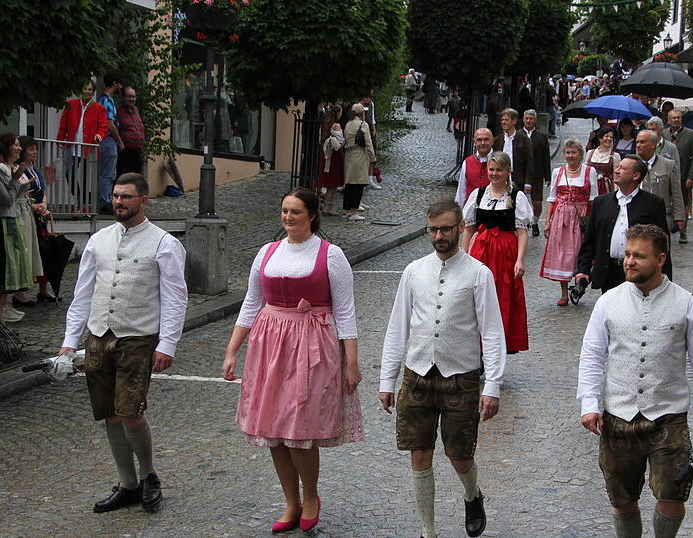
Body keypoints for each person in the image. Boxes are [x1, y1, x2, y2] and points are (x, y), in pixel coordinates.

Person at [223, 188, 362, 533]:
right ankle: (291, 501)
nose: (288, 217)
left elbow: (345, 310)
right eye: (284, 211)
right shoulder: (267, 252)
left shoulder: (331, 255)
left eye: (295, 211)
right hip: (270, 344)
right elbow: (252, 302)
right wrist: (232, 349)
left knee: (299, 428)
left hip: (313, 344)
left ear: (312, 216)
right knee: (274, 429)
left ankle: (311, 496)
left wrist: (351, 361)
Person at [578, 223, 693, 538]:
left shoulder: (688, 304)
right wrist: (589, 403)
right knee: (622, 500)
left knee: (673, 495)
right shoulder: (608, 302)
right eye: (627, 254)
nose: (629, 261)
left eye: (639, 256)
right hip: (618, 417)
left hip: (668, 418)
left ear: (660, 259)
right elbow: (592, 355)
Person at [60, 172, 188, 514]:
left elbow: (175, 298)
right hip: (98, 335)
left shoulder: (164, 243)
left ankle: (149, 476)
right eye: (116, 195)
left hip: (138, 336)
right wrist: (70, 342)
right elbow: (82, 293)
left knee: (131, 412)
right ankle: (127, 483)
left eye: (126, 197)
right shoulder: (98, 240)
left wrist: (168, 344)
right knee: (110, 415)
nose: (118, 201)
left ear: (143, 200)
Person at [379, 198, 507, 538]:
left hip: (460, 379)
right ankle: (428, 531)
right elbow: (397, 327)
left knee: (459, 455)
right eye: (433, 230)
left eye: (446, 229)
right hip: (417, 377)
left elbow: (492, 332)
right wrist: (387, 380)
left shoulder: (478, 274)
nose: (439, 236)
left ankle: (472, 494)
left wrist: (493, 385)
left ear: (461, 227)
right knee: (419, 453)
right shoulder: (413, 271)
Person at [462, 151, 532, 354]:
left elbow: (522, 231)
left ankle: (496, 346)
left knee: (502, 297)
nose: (494, 173)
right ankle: (477, 346)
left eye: (499, 170)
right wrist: (463, 256)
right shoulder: (479, 195)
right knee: (476, 297)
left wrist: (520, 260)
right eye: (491, 169)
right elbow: (469, 228)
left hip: (505, 254)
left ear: (508, 171)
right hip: (481, 251)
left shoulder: (516, 197)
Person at [574, 156, 671, 293]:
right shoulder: (601, 202)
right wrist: (582, 270)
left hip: (640, 271)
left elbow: (662, 243)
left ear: (636, 176)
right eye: (617, 167)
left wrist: (665, 276)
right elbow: (590, 239)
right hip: (609, 271)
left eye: (623, 168)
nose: (617, 171)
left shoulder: (653, 203)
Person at [540, 139, 598, 305]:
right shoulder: (557, 172)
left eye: (574, 152)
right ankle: (564, 293)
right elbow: (552, 198)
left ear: (580, 154)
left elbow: (594, 198)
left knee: (580, 252)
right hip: (561, 218)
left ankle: (579, 285)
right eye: (568, 152)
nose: (570, 155)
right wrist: (548, 222)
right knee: (562, 254)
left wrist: (593, 222)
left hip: (581, 216)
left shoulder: (589, 171)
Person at [0, 133, 34, 323]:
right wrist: (16, 180)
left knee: (12, 266)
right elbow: (7, 199)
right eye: (15, 145)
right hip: (3, 220)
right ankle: (0, 312)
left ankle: (3, 309)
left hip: (12, 216)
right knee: (5, 268)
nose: (19, 149)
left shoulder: (4, 171)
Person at [56, 79, 107, 206]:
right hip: (71, 146)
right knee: (69, 173)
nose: (87, 92)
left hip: (87, 148)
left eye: (90, 89)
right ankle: (79, 196)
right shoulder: (70, 104)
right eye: (85, 89)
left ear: (93, 92)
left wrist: (99, 135)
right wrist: (60, 139)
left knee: (85, 177)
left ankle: (83, 203)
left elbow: (103, 127)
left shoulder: (99, 108)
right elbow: (63, 124)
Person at [11, 136, 48, 306]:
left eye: (36, 149)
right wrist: (36, 207)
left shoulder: (36, 171)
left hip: (39, 213)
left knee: (43, 249)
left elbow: (42, 191)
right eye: (31, 149)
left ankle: (43, 288)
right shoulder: (19, 169)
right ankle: (19, 292)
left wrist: (44, 206)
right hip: (27, 211)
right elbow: (22, 194)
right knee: (25, 250)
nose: (35, 152)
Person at [635, 130, 685, 237]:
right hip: (637, 216)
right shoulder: (632, 164)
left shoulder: (668, 165)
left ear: (653, 144)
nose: (638, 145)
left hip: (661, 217)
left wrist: (679, 217)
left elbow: (676, 193)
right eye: (637, 142)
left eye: (642, 142)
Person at [666, 110, 693, 238]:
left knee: (683, 202)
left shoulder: (690, 134)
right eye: (673, 118)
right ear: (669, 120)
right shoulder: (664, 134)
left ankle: (683, 231)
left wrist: (691, 176)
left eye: (678, 117)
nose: (676, 120)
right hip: (667, 174)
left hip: (684, 174)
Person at [97, 72, 125, 215]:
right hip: (108, 139)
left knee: (109, 173)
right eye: (119, 84)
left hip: (108, 140)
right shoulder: (106, 101)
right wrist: (119, 140)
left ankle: (106, 200)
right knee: (107, 173)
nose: (120, 87)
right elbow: (109, 124)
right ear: (114, 83)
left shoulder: (107, 100)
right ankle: (104, 202)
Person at [342, 103, 376, 221]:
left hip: (349, 156)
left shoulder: (348, 124)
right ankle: (354, 211)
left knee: (349, 184)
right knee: (358, 184)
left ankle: (346, 210)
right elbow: (368, 142)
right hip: (359, 155)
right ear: (362, 113)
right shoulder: (363, 125)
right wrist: (373, 157)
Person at [522, 109, 551, 236]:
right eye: (527, 118)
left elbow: (546, 157)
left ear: (535, 120)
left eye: (531, 118)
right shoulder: (518, 135)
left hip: (537, 174)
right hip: (521, 174)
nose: (529, 121)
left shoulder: (542, 137)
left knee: (537, 202)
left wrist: (548, 176)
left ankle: (534, 221)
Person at [493, 108, 534, 192]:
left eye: (506, 120)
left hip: (518, 180)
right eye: (502, 120)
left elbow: (529, 161)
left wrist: (528, 183)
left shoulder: (524, 139)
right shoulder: (497, 140)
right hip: (500, 178)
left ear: (514, 121)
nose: (503, 122)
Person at [454, 128, 494, 206]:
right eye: (479, 140)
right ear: (474, 142)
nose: (483, 143)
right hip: (470, 208)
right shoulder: (467, 162)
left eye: (486, 139)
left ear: (492, 141)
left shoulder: (500, 162)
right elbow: (462, 190)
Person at [319, 105, 345, 216]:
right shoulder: (336, 125)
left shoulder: (325, 123)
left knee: (329, 182)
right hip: (334, 157)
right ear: (338, 113)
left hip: (326, 155)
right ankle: (327, 206)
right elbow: (340, 142)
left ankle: (325, 203)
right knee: (332, 184)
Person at [116, 87, 145, 177]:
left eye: (133, 97)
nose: (131, 99)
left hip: (137, 151)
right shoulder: (119, 112)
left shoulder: (136, 110)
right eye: (129, 96)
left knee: (136, 178)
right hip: (125, 152)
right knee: (124, 178)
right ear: (124, 98)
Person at [585, 126, 620, 195]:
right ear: (600, 138)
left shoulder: (615, 156)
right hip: (591, 186)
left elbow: (616, 176)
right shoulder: (590, 153)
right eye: (606, 136)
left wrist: (615, 193)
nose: (609, 139)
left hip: (606, 188)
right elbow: (585, 173)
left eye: (611, 137)